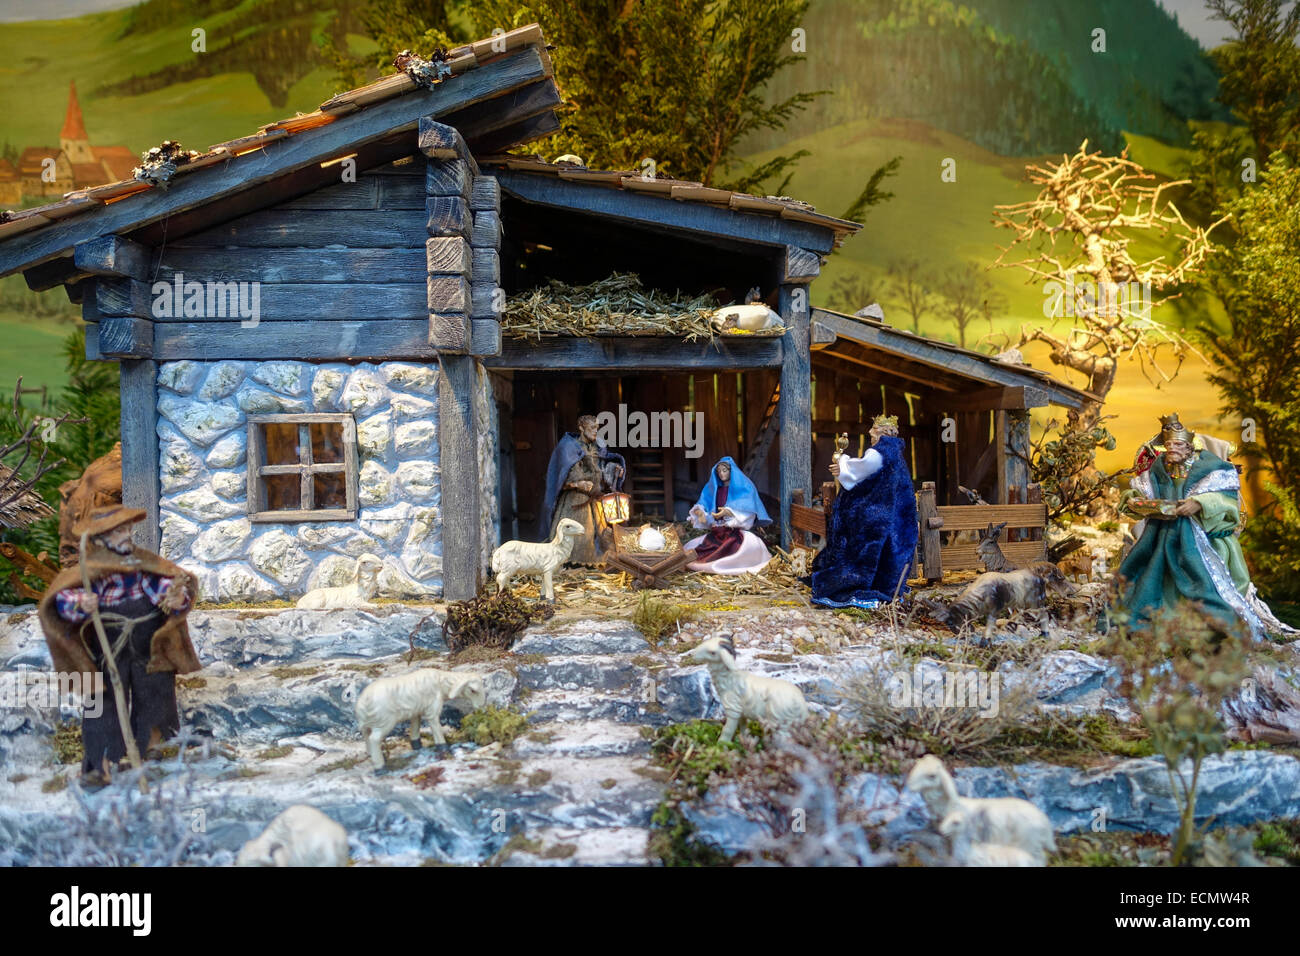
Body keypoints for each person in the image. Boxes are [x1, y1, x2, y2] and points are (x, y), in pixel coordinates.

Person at [37, 505, 200, 786]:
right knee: (103, 700)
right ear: (100, 538)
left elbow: (160, 586)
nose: (127, 536)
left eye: (127, 529)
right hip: (108, 642)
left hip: (148, 640)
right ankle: (102, 764)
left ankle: (155, 752)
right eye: (118, 531)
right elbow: (62, 601)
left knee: (156, 693)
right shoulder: (88, 570)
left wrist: (175, 597)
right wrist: (81, 604)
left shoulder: (140, 562)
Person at [1119, 413, 1295, 639]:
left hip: (1202, 538)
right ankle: (1155, 624)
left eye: (1177, 444)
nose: (1171, 448)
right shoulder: (1159, 468)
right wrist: (1133, 499)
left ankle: (1206, 628)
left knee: (1202, 578)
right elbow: (1142, 492)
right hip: (1162, 536)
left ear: (1188, 446)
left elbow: (1226, 499)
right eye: (1168, 444)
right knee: (1150, 576)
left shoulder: (1212, 466)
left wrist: (1199, 503)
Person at [810, 414, 918, 609]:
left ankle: (855, 586)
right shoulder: (895, 453)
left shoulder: (879, 452)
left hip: (879, 515)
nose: (870, 432)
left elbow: (863, 468)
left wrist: (842, 464)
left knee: (863, 547)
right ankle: (885, 585)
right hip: (895, 513)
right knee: (888, 551)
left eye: (874, 429)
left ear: (884, 432)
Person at [540, 414, 626, 565]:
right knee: (579, 534)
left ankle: (594, 562)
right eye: (592, 428)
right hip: (576, 501)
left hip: (594, 499)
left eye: (597, 428)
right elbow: (563, 473)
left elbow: (600, 469)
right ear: (581, 428)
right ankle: (573, 562)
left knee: (600, 534)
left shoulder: (596, 446)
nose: (595, 431)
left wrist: (613, 469)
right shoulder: (568, 447)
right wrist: (577, 484)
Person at [685, 457, 772, 574]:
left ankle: (728, 565)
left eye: (724, 470)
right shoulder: (716, 490)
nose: (721, 474)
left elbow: (748, 509)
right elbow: (705, 505)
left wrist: (729, 513)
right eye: (719, 471)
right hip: (717, 533)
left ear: (731, 471)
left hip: (733, 533)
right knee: (693, 548)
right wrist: (701, 513)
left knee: (742, 549)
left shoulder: (744, 488)